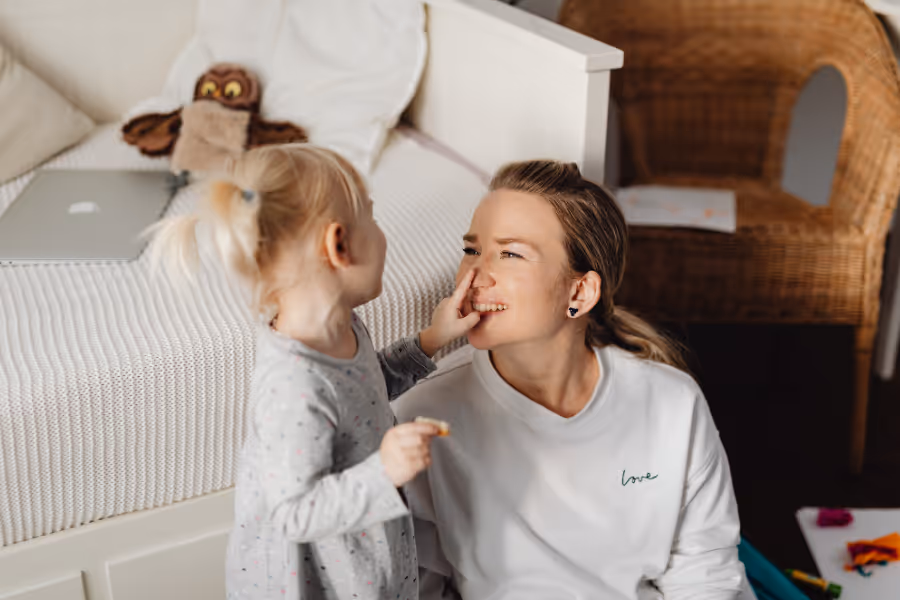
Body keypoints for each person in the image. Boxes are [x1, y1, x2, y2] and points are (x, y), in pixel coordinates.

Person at [393, 160, 750, 599]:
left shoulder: (673, 405)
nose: (473, 277)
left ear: (579, 293)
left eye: (510, 253)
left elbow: (706, 577)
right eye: (472, 250)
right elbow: (418, 588)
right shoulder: (419, 417)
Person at [149, 144, 480, 599]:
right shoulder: (293, 386)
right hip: (317, 579)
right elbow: (295, 513)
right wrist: (382, 471)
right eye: (372, 217)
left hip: (360, 552)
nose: (383, 235)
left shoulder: (341, 325)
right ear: (338, 245)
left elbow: (361, 399)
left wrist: (432, 339)